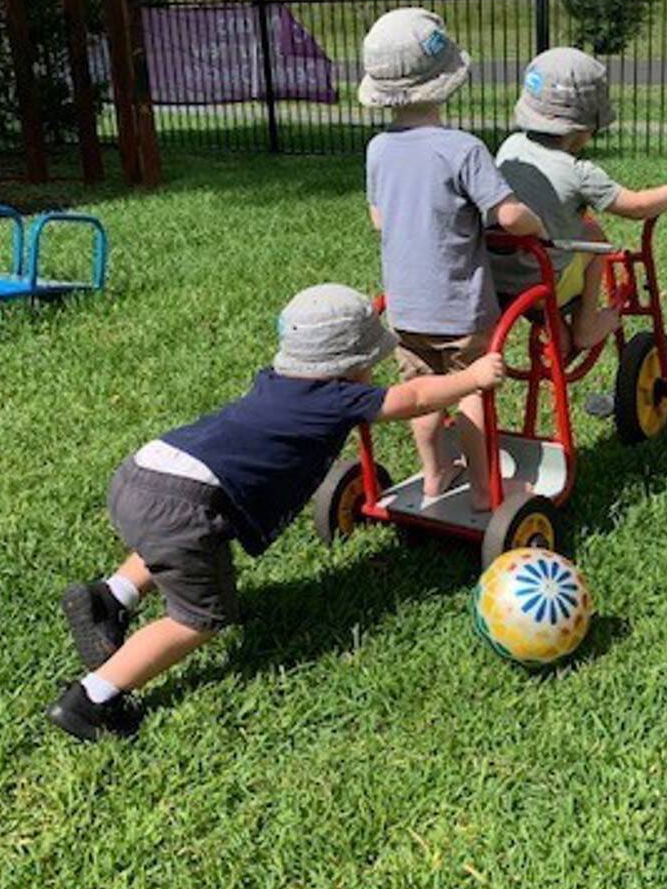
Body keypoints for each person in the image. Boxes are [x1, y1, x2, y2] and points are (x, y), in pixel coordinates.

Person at [48, 283, 505, 742]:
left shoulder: (274, 380)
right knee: (196, 618)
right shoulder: (336, 398)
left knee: (169, 543)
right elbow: (417, 398)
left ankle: (111, 597)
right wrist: (472, 378)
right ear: (349, 367)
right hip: (185, 502)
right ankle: (93, 699)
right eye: (371, 362)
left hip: (146, 470)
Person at [359, 8, 547, 513]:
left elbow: (380, 219)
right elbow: (508, 216)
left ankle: (435, 474)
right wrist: (539, 224)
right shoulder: (462, 149)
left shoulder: (377, 148)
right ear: (447, 83)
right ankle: (487, 491)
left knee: (422, 389)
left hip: (404, 306)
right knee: (470, 390)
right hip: (460, 306)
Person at [492, 48, 667, 353]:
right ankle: (586, 325)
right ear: (586, 127)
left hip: (496, 272)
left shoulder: (510, 147)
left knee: (557, 239)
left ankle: (555, 328)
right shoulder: (579, 173)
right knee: (594, 236)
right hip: (545, 279)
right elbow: (637, 206)